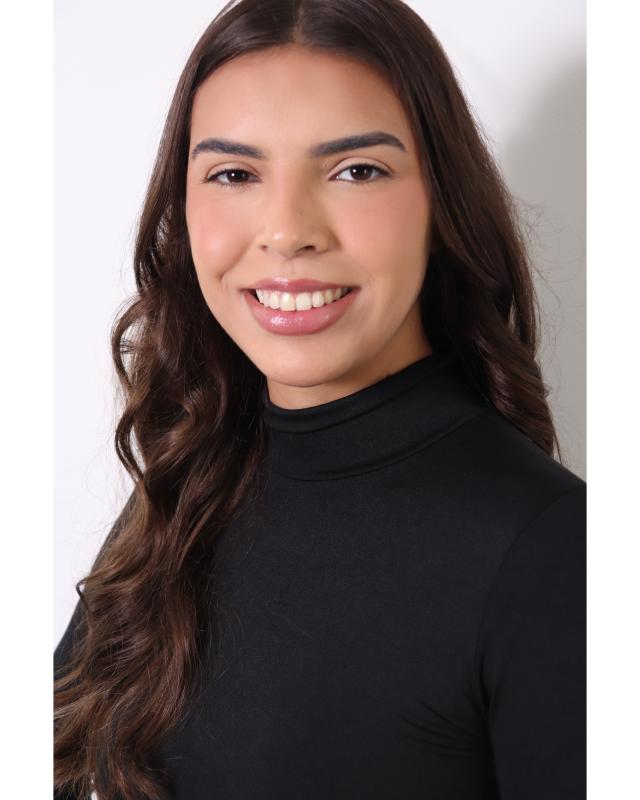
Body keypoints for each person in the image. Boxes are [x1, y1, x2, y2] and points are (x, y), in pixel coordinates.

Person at [54, 1, 586, 798]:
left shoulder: (557, 554)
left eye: (356, 170)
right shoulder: (185, 488)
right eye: (235, 174)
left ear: (441, 202)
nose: (287, 231)